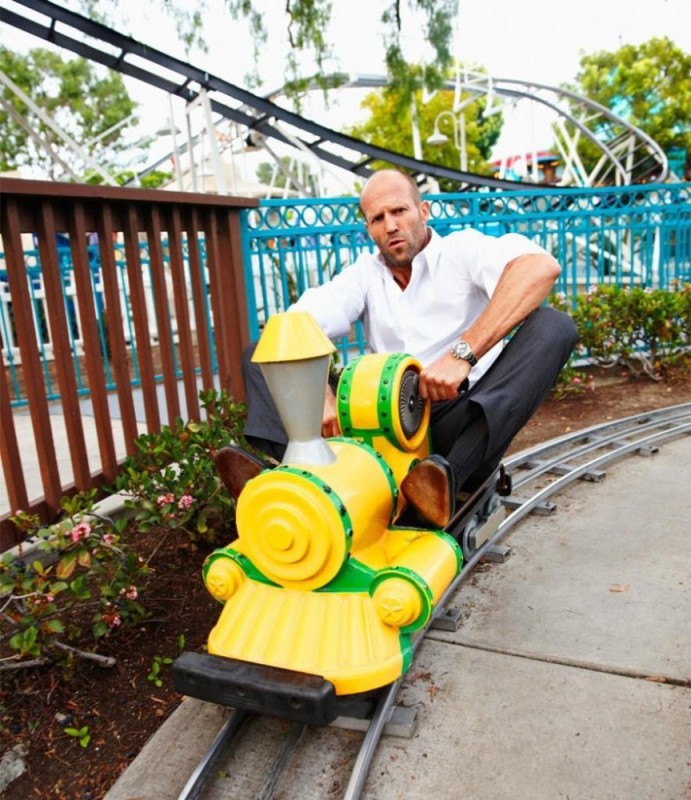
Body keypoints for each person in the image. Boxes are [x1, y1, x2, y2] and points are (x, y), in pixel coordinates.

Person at [219, 169, 578, 528]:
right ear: (369, 230)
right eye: (378, 218)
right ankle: (295, 482)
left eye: (399, 211)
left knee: (554, 326)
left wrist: (462, 355)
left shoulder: (461, 250)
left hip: (459, 420)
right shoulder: (363, 275)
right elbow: (294, 324)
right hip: (383, 426)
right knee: (263, 354)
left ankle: (443, 484)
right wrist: (318, 393)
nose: (390, 225)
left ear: (423, 211)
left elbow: (539, 268)